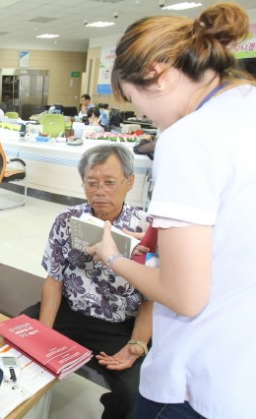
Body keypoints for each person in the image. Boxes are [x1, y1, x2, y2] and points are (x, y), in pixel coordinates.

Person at [86, 3, 256, 418]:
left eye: (136, 99)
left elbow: (185, 296)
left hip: (198, 378)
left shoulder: (190, 137)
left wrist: (112, 256)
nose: (142, 115)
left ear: (158, 74)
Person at [23, 144, 152, 419]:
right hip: (70, 312)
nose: (100, 191)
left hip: (119, 323)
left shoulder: (146, 229)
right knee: (22, 336)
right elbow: (54, 281)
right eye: (91, 183)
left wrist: (138, 344)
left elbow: (151, 298)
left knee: (132, 394)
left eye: (109, 182)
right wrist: (44, 334)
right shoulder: (66, 221)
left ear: (129, 182)